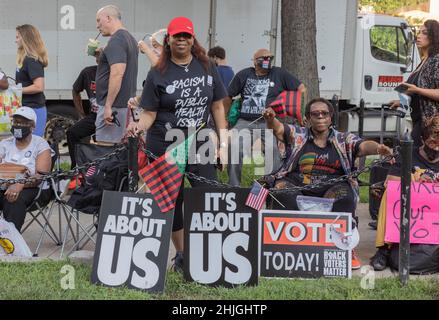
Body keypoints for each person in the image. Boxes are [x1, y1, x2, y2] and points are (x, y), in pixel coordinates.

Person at [127, 16, 228, 272]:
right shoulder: (157, 73)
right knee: (172, 201)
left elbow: (217, 106)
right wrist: (138, 127)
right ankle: (182, 255)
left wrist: (223, 144)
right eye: (176, 36)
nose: (181, 39)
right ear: (168, 40)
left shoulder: (206, 66)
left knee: (208, 196)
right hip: (164, 143)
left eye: (186, 35)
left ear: (193, 40)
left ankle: (207, 251)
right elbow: (149, 113)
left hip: (200, 141)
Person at [263, 98, 393, 270]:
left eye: (324, 113)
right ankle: (284, 247)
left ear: (331, 117)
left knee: (344, 197)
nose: (320, 117)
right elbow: (278, 128)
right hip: (299, 184)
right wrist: (270, 118)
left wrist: (378, 148)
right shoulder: (298, 135)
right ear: (308, 118)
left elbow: (362, 146)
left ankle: (345, 247)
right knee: (280, 193)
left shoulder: (343, 139)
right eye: (315, 114)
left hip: (332, 187)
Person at [224, 48, 305, 187]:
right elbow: (228, 95)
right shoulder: (244, 74)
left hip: (269, 122)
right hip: (245, 121)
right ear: (255, 61)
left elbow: (302, 88)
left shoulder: (279, 73)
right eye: (263, 58)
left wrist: (299, 111)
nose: (267, 60)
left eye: (269, 58)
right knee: (235, 148)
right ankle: (234, 187)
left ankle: (273, 186)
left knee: (273, 151)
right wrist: (225, 118)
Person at [370, 115, 439, 271]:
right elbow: (392, 181)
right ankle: (384, 249)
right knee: (390, 193)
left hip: (435, 213)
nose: (435, 148)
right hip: (411, 207)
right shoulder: (407, 153)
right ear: (422, 139)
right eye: (432, 142)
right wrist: (417, 181)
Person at [0, 107, 52, 231]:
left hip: (34, 190)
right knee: (10, 194)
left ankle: (11, 242)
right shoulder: (5, 144)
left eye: (23, 123)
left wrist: (19, 182)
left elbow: (40, 176)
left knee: (13, 199)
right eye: (16, 122)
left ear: (32, 126)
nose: (18, 126)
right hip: (4, 185)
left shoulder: (40, 144)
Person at [390, 20, 439, 146]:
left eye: (424, 33)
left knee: (411, 155)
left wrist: (417, 90)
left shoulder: (436, 60)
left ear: (434, 36)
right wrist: (401, 103)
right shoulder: (424, 60)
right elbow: (413, 92)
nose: (419, 36)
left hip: (431, 123)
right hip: (419, 121)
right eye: (419, 32)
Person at [95, 5, 138, 144]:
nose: (97, 26)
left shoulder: (116, 40)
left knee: (105, 151)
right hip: (123, 105)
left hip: (115, 107)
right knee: (120, 155)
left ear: (108, 18)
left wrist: (108, 106)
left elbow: (117, 74)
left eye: (98, 20)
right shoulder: (129, 38)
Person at [66, 49, 101, 171]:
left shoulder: (116, 73)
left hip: (112, 117)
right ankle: (76, 166)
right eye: (97, 57)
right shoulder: (88, 72)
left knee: (104, 143)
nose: (98, 59)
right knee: (72, 132)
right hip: (95, 116)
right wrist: (81, 114)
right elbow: (75, 90)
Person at [15, 24, 49, 137]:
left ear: (26, 39)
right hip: (26, 108)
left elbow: (39, 86)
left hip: (34, 109)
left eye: (17, 37)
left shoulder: (31, 60)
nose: (15, 41)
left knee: (34, 144)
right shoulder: (25, 59)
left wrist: (16, 90)